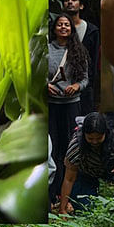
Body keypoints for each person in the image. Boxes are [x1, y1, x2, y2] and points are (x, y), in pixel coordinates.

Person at [59, 112, 114, 213]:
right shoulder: (76, 145)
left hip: (111, 165)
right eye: (90, 138)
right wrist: (62, 209)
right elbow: (69, 179)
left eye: (98, 138)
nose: (94, 142)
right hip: (86, 173)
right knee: (86, 211)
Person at [48, 14, 88, 201]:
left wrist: (77, 86)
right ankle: (52, 191)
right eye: (60, 25)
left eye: (67, 25)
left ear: (71, 29)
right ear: (54, 28)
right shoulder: (46, 50)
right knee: (52, 146)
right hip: (52, 105)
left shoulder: (78, 51)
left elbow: (86, 79)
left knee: (69, 147)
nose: (63, 27)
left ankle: (67, 193)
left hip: (71, 105)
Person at [59, 0, 99, 115]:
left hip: (84, 88)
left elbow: (94, 60)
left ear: (81, 6)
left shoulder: (92, 31)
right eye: (67, 0)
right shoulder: (56, 30)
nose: (70, 2)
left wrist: (89, 86)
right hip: (60, 87)